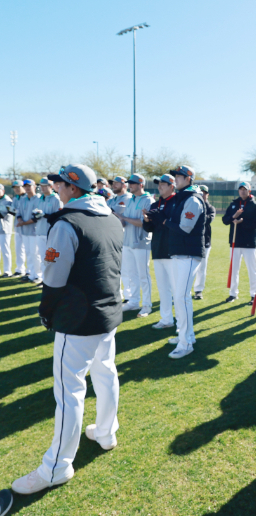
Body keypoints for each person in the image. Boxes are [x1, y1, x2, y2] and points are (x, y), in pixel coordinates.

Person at [12, 164, 123, 495]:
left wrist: (46, 313)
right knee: (105, 373)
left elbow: (54, 280)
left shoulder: (67, 222)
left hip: (78, 320)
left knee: (70, 391)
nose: (55, 187)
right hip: (108, 314)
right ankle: (105, 432)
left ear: (74, 189)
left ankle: (56, 467)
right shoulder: (112, 218)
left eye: (59, 183)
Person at [164, 165, 206, 359]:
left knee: (182, 298)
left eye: (179, 176)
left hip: (188, 253)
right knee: (179, 297)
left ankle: (186, 343)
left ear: (189, 179)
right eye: (175, 176)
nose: (176, 179)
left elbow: (184, 228)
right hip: (180, 253)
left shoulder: (192, 199)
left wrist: (164, 222)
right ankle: (186, 335)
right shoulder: (183, 198)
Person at [115, 174, 153, 317]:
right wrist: (118, 218)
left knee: (144, 275)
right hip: (128, 241)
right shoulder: (131, 200)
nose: (130, 185)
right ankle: (134, 302)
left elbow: (144, 223)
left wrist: (124, 218)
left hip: (142, 242)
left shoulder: (148, 200)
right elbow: (127, 221)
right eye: (129, 183)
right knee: (131, 274)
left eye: (133, 183)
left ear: (141, 184)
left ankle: (147, 305)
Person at [142, 174, 177, 330]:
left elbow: (174, 225)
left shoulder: (177, 202)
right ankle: (166, 319)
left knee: (177, 289)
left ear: (172, 186)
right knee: (163, 288)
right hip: (157, 249)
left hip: (173, 250)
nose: (160, 186)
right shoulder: (155, 204)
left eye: (163, 184)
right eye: (159, 184)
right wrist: (147, 221)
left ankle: (182, 324)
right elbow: (149, 229)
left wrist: (158, 217)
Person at [222, 181, 256, 304]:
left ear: (249, 191)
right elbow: (225, 220)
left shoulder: (255, 205)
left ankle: (254, 295)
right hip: (235, 242)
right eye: (240, 189)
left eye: (245, 189)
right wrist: (234, 216)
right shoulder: (234, 204)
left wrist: (241, 222)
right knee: (234, 269)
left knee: (252, 269)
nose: (242, 191)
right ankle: (233, 294)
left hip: (249, 243)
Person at [107, 176, 133, 303]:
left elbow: (123, 220)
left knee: (125, 269)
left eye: (117, 183)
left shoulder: (128, 198)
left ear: (124, 185)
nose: (114, 185)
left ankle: (128, 296)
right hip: (111, 237)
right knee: (114, 268)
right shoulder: (112, 199)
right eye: (113, 183)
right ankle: (118, 293)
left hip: (124, 237)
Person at [35, 178, 63, 286]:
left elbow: (58, 216)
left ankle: (52, 280)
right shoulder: (40, 198)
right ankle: (44, 279)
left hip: (50, 232)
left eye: (45, 185)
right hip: (40, 231)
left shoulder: (56, 198)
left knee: (51, 258)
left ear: (51, 186)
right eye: (41, 185)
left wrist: (44, 215)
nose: (42, 187)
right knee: (43, 257)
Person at [192, 185, 216, 300]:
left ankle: (198, 290)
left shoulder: (210, 208)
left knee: (202, 267)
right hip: (192, 240)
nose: (202, 195)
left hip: (205, 241)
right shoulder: (192, 205)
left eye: (205, 193)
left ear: (208, 194)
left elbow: (206, 220)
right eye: (200, 193)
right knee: (188, 267)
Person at [16, 179, 42, 284]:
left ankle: (39, 275)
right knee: (29, 253)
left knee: (35, 254)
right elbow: (18, 213)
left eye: (29, 186)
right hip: (24, 231)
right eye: (25, 186)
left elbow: (37, 217)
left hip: (34, 231)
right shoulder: (23, 199)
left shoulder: (39, 199)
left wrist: (23, 223)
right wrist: (20, 221)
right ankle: (31, 274)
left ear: (34, 186)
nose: (27, 188)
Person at [10, 180, 26, 277]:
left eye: (18, 187)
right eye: (15, 188)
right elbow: (13, 210)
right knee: (18, 248)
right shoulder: (15, 198)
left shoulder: (27, 197)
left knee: (31, 251)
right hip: (17, 226)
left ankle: (29, 271)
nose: (16, 189)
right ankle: (20, 269)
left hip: (28, 227)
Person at [0, 184, 14, 277]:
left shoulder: (7, 201)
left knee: (5, 250)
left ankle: (7, 271)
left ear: (3, 191)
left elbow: (2, 214)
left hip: (4, 229)